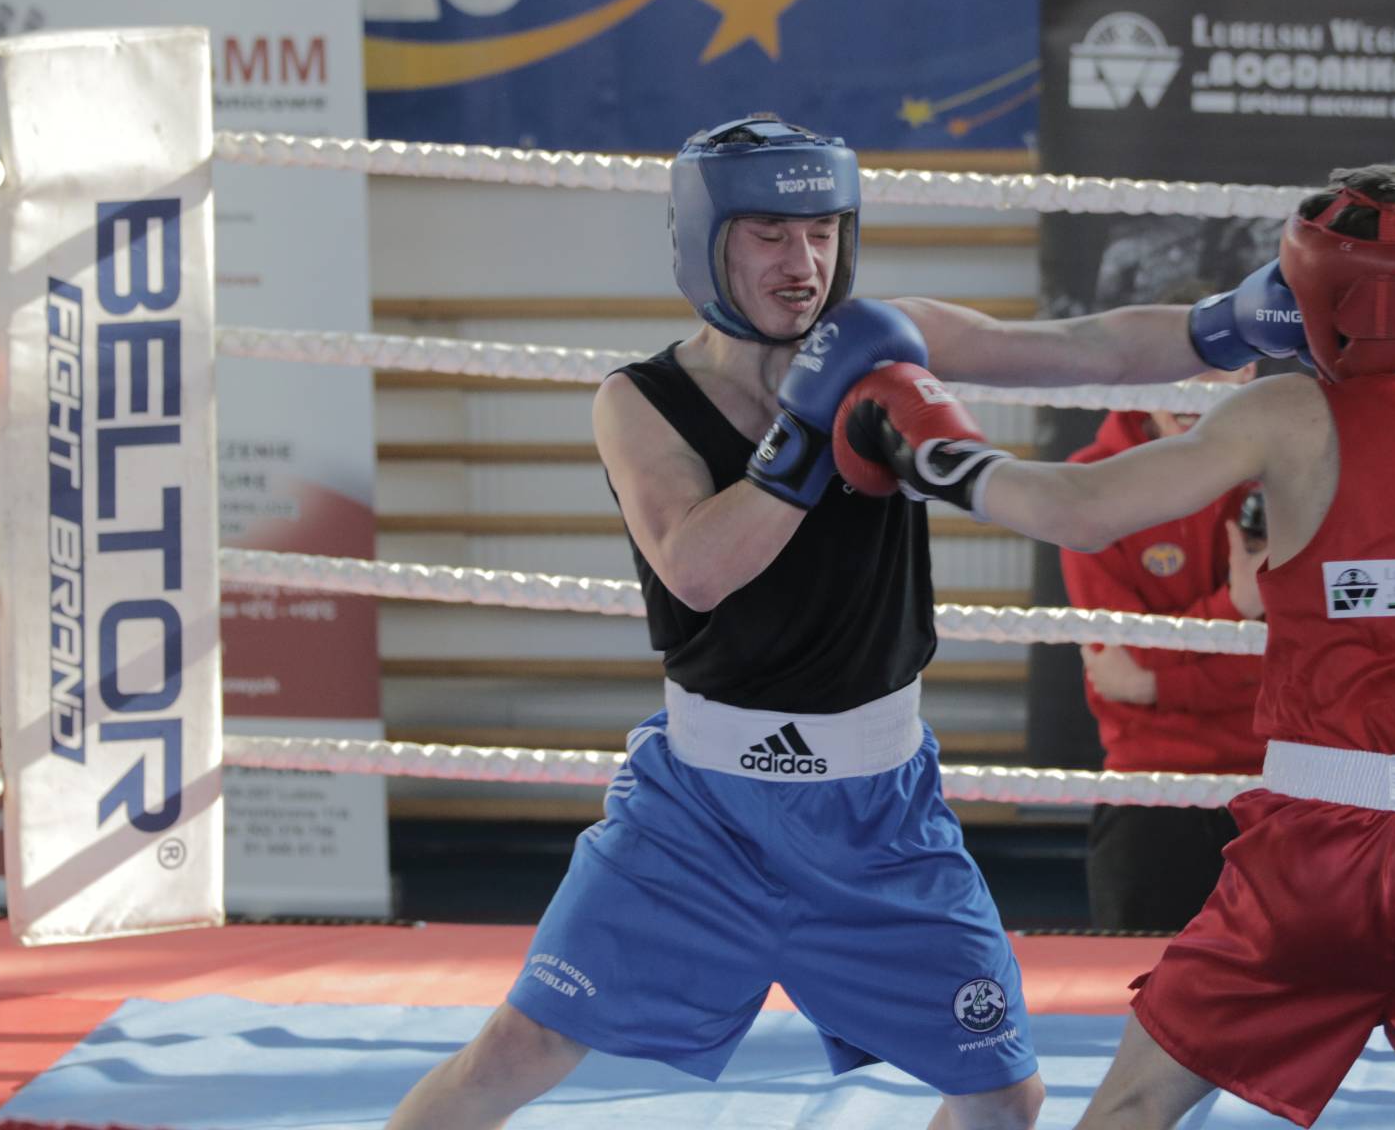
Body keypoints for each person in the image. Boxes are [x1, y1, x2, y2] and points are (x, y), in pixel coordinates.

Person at [383, 113, 1308, 1130]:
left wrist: (1228, 323)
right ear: (705, 242)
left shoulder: (889, 340)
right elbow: (696, 568)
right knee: (517, 1051)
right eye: (770, 234)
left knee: (1003, 1096)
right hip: (700, 816)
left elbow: (1076, 346)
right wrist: (811, 425)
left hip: (880, 816)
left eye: (822, 231)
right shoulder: (641, 400)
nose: (804, 262)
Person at [837, 163, 1395, 1129]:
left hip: (1309, 863)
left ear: (1325, 306)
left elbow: (1081, 510)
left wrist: (933, 454)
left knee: (1131, 1110)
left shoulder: (1288, 417)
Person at [1059, 365, 1266, 933]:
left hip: (1269, 782)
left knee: (1285, 985)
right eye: (1175, 368)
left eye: (1214, 368)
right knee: (1135, 980)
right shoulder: (1091, 481)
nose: (1190, 388)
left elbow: (1289, 661)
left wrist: (1155, 685)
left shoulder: (1281, 477)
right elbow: (1122, 658)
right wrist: (1236, 606)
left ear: (1247, 373)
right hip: (1146, 784)